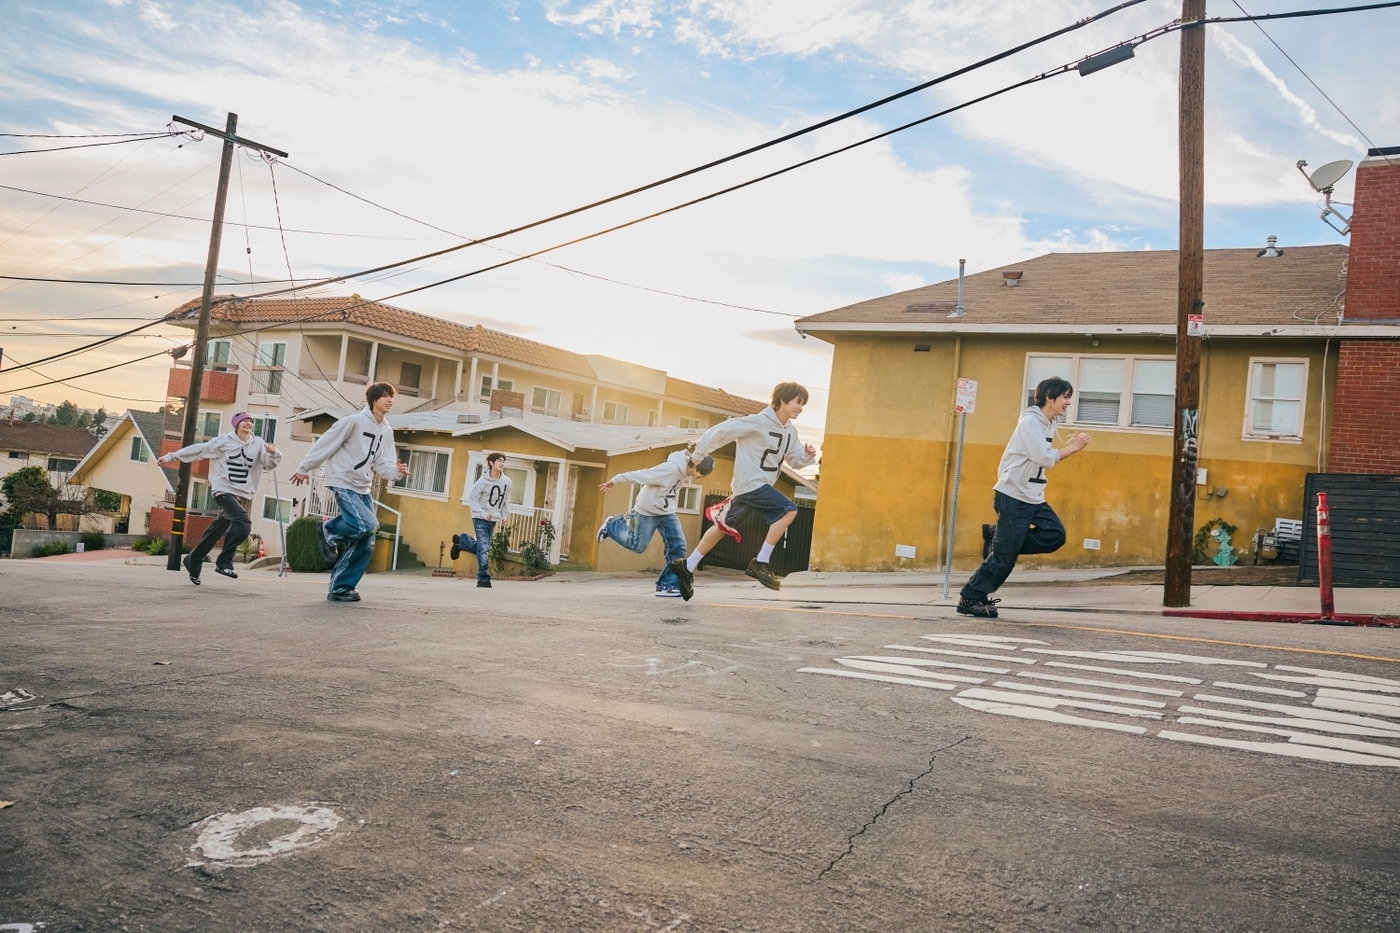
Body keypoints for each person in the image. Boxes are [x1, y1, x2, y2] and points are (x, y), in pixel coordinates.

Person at [957, 376, 1091, 618]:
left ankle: (999, 537)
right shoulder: (1030, 422)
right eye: (1065, 396)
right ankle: (971, 596)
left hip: (1033, 495)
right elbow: (1045, 458)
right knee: (1004, 559)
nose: (1068, 402)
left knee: (1055, 535)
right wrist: (1075, 447)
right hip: (1014, 494)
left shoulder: (1048, 422)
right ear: (1050, 397)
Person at [669, 382, 817, 594]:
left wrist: (807, 456)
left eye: (803, 404)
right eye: (798, 402)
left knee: (723, 527)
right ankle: (761, 561)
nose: (801, 408)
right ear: (783, 400)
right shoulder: (757, 422)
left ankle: (687, 566)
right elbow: (721, 431)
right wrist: (698, 455)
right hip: (751, 483)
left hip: (757, 486)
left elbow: (795, 460)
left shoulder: (790, 432)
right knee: (789, 510)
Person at [290, 382, 409, 602]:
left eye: (392, 396)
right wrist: (304, 468)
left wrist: (397, 472)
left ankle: (341, 588)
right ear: (373, 400)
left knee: (367, 540)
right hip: (342, 480)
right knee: (366, 525)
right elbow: (326, 443)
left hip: (362, 485)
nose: (390, 400)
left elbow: (384, 464)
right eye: (385, 396)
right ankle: (328, 530)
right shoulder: (353, 421)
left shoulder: (386, 430)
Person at [159, 411, 281, 585]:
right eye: (244, 420)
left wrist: (274, 453)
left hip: (239, 494)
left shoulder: (258, 443)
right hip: (222, 490)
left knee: (217, 530)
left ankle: (194, 558)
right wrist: (171, 456)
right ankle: (224, 561)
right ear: (236, 424)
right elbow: (199, 449)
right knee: (242, 522)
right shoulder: (223, 441)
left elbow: (269, 464)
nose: (248, 423)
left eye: (250, 421)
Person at [597, 450, 715, 599]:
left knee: (678, 545)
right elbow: (642, 475)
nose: (702, 477)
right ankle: (612, 526)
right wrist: (616, 480)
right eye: (703, 474)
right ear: (695, 466)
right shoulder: (669, 469)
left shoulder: (686, 470)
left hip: (666, 512)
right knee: (637, 546)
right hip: (648, 510)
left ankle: (667, 585)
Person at [451, 452, 512, 588]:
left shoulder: (507, 482)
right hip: (479, 518)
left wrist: (504, 516)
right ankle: (483, 578)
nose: (502, 464)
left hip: (493, 519)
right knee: (484, 549)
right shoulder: (482, 482)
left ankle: (462, 542)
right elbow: (472, 499)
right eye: (499, 461)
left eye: (503, 461)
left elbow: (505, 501)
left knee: (484, 548)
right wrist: (483, 514)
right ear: (491, 463)